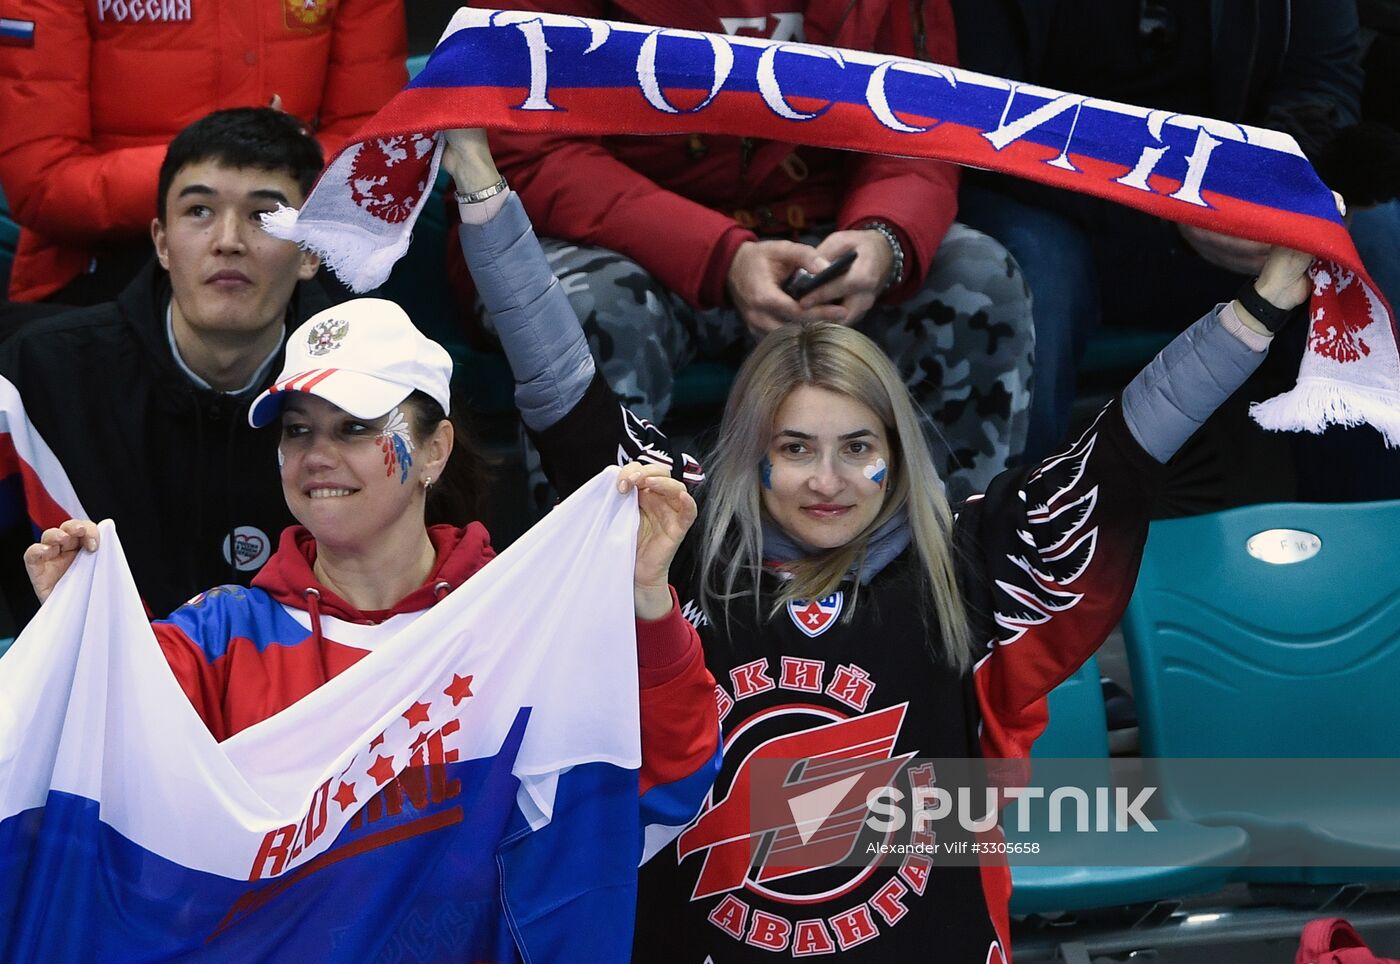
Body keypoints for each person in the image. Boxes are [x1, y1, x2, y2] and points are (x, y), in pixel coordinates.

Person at [438, 126, 1314, 958]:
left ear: (897, 457)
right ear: (753, 455)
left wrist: (1270, 298)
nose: (828, 481)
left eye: (858, 449)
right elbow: (558, 379)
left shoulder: (972, 559)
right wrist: (479, 183)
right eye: (795, 450)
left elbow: (1135, 435)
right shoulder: (687, 532)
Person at [24, 297, 723, 959]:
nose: (316, 455)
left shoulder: (520, 627)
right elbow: (104, 814)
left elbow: (667, 781)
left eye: (354, 427)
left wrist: (646, 601)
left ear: (433, 450)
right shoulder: (219, 639)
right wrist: (78, 644)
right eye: (298, 430)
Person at [449, 0, 1035, 509]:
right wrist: (718, 253)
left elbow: (925, 119)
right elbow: (525, 148)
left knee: (979, 284)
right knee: (586, 312)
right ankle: (618, 595)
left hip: (823, 235)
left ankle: (950, 583)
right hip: (628, 241)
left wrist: (884, 240)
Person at [952, 0, 1365, 462]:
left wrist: (1272, 189)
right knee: (1030, 273)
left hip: (1237, 190)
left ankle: (1365, 522)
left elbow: (1322, 81)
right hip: (1052, 198)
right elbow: (982, 113)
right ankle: (1010, 522)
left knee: (1370, 251)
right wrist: (1172, 208)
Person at [0, 108, 332, 628]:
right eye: (199, 211)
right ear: (161, 242)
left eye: (264, 215)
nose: (228, 239)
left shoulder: (365, 383)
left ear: (310, 250)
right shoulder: (38, 376)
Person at [0, 0, 407, 306]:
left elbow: (376, 151)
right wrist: (227, 168)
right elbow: (40, 182)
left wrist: (268, 180)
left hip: (297, 245)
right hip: (104, 263)